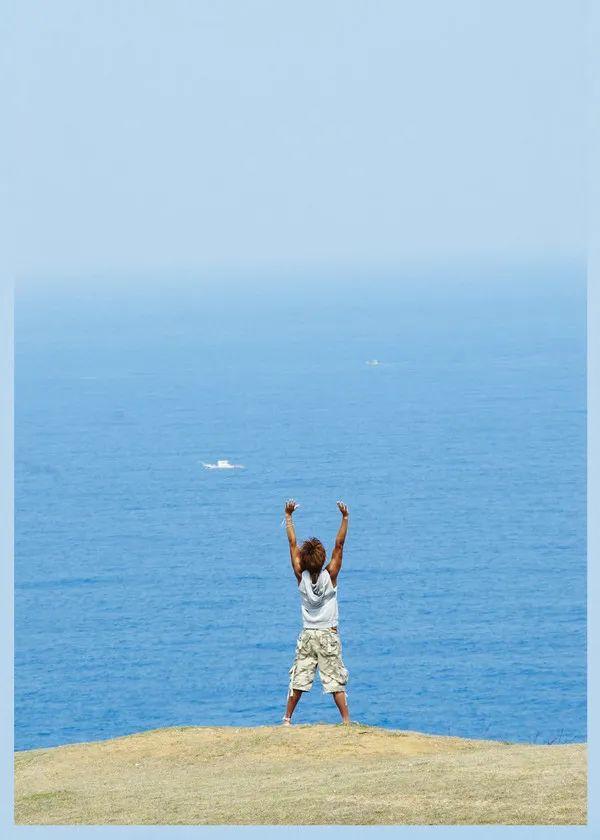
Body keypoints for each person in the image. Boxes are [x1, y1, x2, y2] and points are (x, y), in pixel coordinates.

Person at [282, 498, 350, 725]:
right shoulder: (330, 576)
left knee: (299, 678)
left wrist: (289, 517)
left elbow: (292, 544)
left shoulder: (300, 577)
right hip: (328, 634)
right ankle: (346, 721)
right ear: (322, 560)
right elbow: (339, 545)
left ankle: (287, 718)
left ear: (304, 560)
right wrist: (345, 518)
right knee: (335, 680)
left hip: (308, 634)